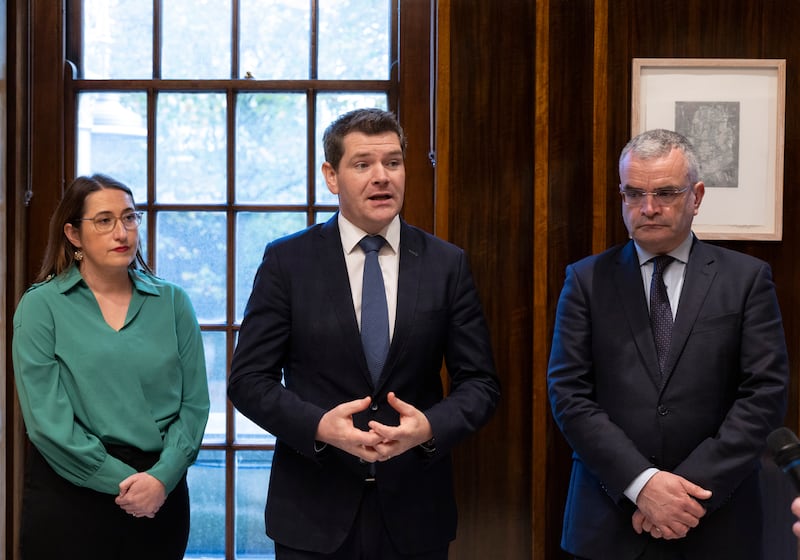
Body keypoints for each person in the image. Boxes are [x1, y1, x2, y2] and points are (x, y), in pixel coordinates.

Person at [228, 107, 500, 559]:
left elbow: (481, 384)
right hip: (313, 511)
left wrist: (428, 428)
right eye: (363, 165)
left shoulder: (446, 264)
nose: (382, 177)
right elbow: (248, 380)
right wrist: (319, 427)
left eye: (393, 163)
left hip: (415, 511)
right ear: (331, 176)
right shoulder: (287, 263)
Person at [547, 129, 789, 560]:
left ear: (696, 196)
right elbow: (569, 396)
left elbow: (764, 396)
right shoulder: (585, 281)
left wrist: (684, 495)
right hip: (609, 520)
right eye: (633, 194)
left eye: (665, 193)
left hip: (719, 521)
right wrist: (642, 485)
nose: (648, 208)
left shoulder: (746, 280)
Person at [12, 174, 210, 559]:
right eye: (104, 220)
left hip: (160, 491)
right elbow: (47, 423)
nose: (121, 231)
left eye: (129, 217)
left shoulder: (173, 302)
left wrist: (160, 479)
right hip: (71, 492)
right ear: (73, 234)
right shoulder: (41, 307)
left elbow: (195, 406)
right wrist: (129, 484)